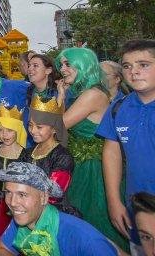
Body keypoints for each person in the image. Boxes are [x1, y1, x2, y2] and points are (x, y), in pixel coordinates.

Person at [56, 47, 128, 250]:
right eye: (61, 64)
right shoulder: (85, 93)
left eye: (68, 64)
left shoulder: (92, 94)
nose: (62, 69)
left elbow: (56, 127)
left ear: (84, 65)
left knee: (95, 228)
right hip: (81, 165)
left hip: (92, 171)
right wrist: (62, 95)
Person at [97, 40, 155, 255]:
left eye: (143, 65)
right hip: (136, 210)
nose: (134, 72)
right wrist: (113, 200)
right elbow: (111, 151)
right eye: (128, 66)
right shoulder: (119, 107)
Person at [0, 162, 120, 256]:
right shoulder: (23, 219)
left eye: (22, 194)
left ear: (44, 197)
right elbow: (2, 250)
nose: (13, 202)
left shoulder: (83, 237)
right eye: (8, 193)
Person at [25, 94, 78, 215]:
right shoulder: (28, 152)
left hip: (51, 213)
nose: (33, 131)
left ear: (54, 128)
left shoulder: (62, 157)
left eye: (39, 127)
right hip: (28, 208)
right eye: (30, 125)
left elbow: (54, 193)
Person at [0, 104, 27, 243]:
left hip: (19, 202)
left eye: (9, 130)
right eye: (0, 130)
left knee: (18, 235)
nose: (4, 135)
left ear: (17, 130)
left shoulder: (25, 154)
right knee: (0, 234)